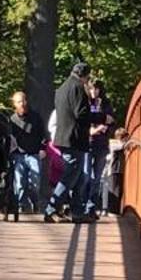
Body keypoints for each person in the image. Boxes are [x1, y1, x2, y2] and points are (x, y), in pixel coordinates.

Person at [49, 60, 94, 223]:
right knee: (70, 176)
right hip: (73, 139)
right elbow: (81, 114)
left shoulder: (61, 88)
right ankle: (51, 209)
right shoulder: (77, 88)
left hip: (63, 137)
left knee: (79, 177)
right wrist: (101, 117)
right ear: (85, 76)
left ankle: (77, 212)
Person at [4, 90, 44, 216]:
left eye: (23, 101)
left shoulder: (36, 117)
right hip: (18, 154)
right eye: (18, 102)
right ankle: (20, 206)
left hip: (34, 154)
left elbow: (42, 135)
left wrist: (43, 148)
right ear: (14, 104)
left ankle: (35, 202)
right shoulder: (11, 120)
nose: (22, 104)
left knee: (35, 183)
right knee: (19, 182)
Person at [82, 78, 114, 218]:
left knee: (97, 179)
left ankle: (91, 207)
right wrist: (95, 129)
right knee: (86, 176)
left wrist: (101, 127)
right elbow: (82, 120)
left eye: (96, 89)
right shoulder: (84, 102)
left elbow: (110, 120)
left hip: (101, 145)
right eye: (91, 89)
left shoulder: (106, 104)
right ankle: (82, 205)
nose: (93, 91)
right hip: (87, 144)